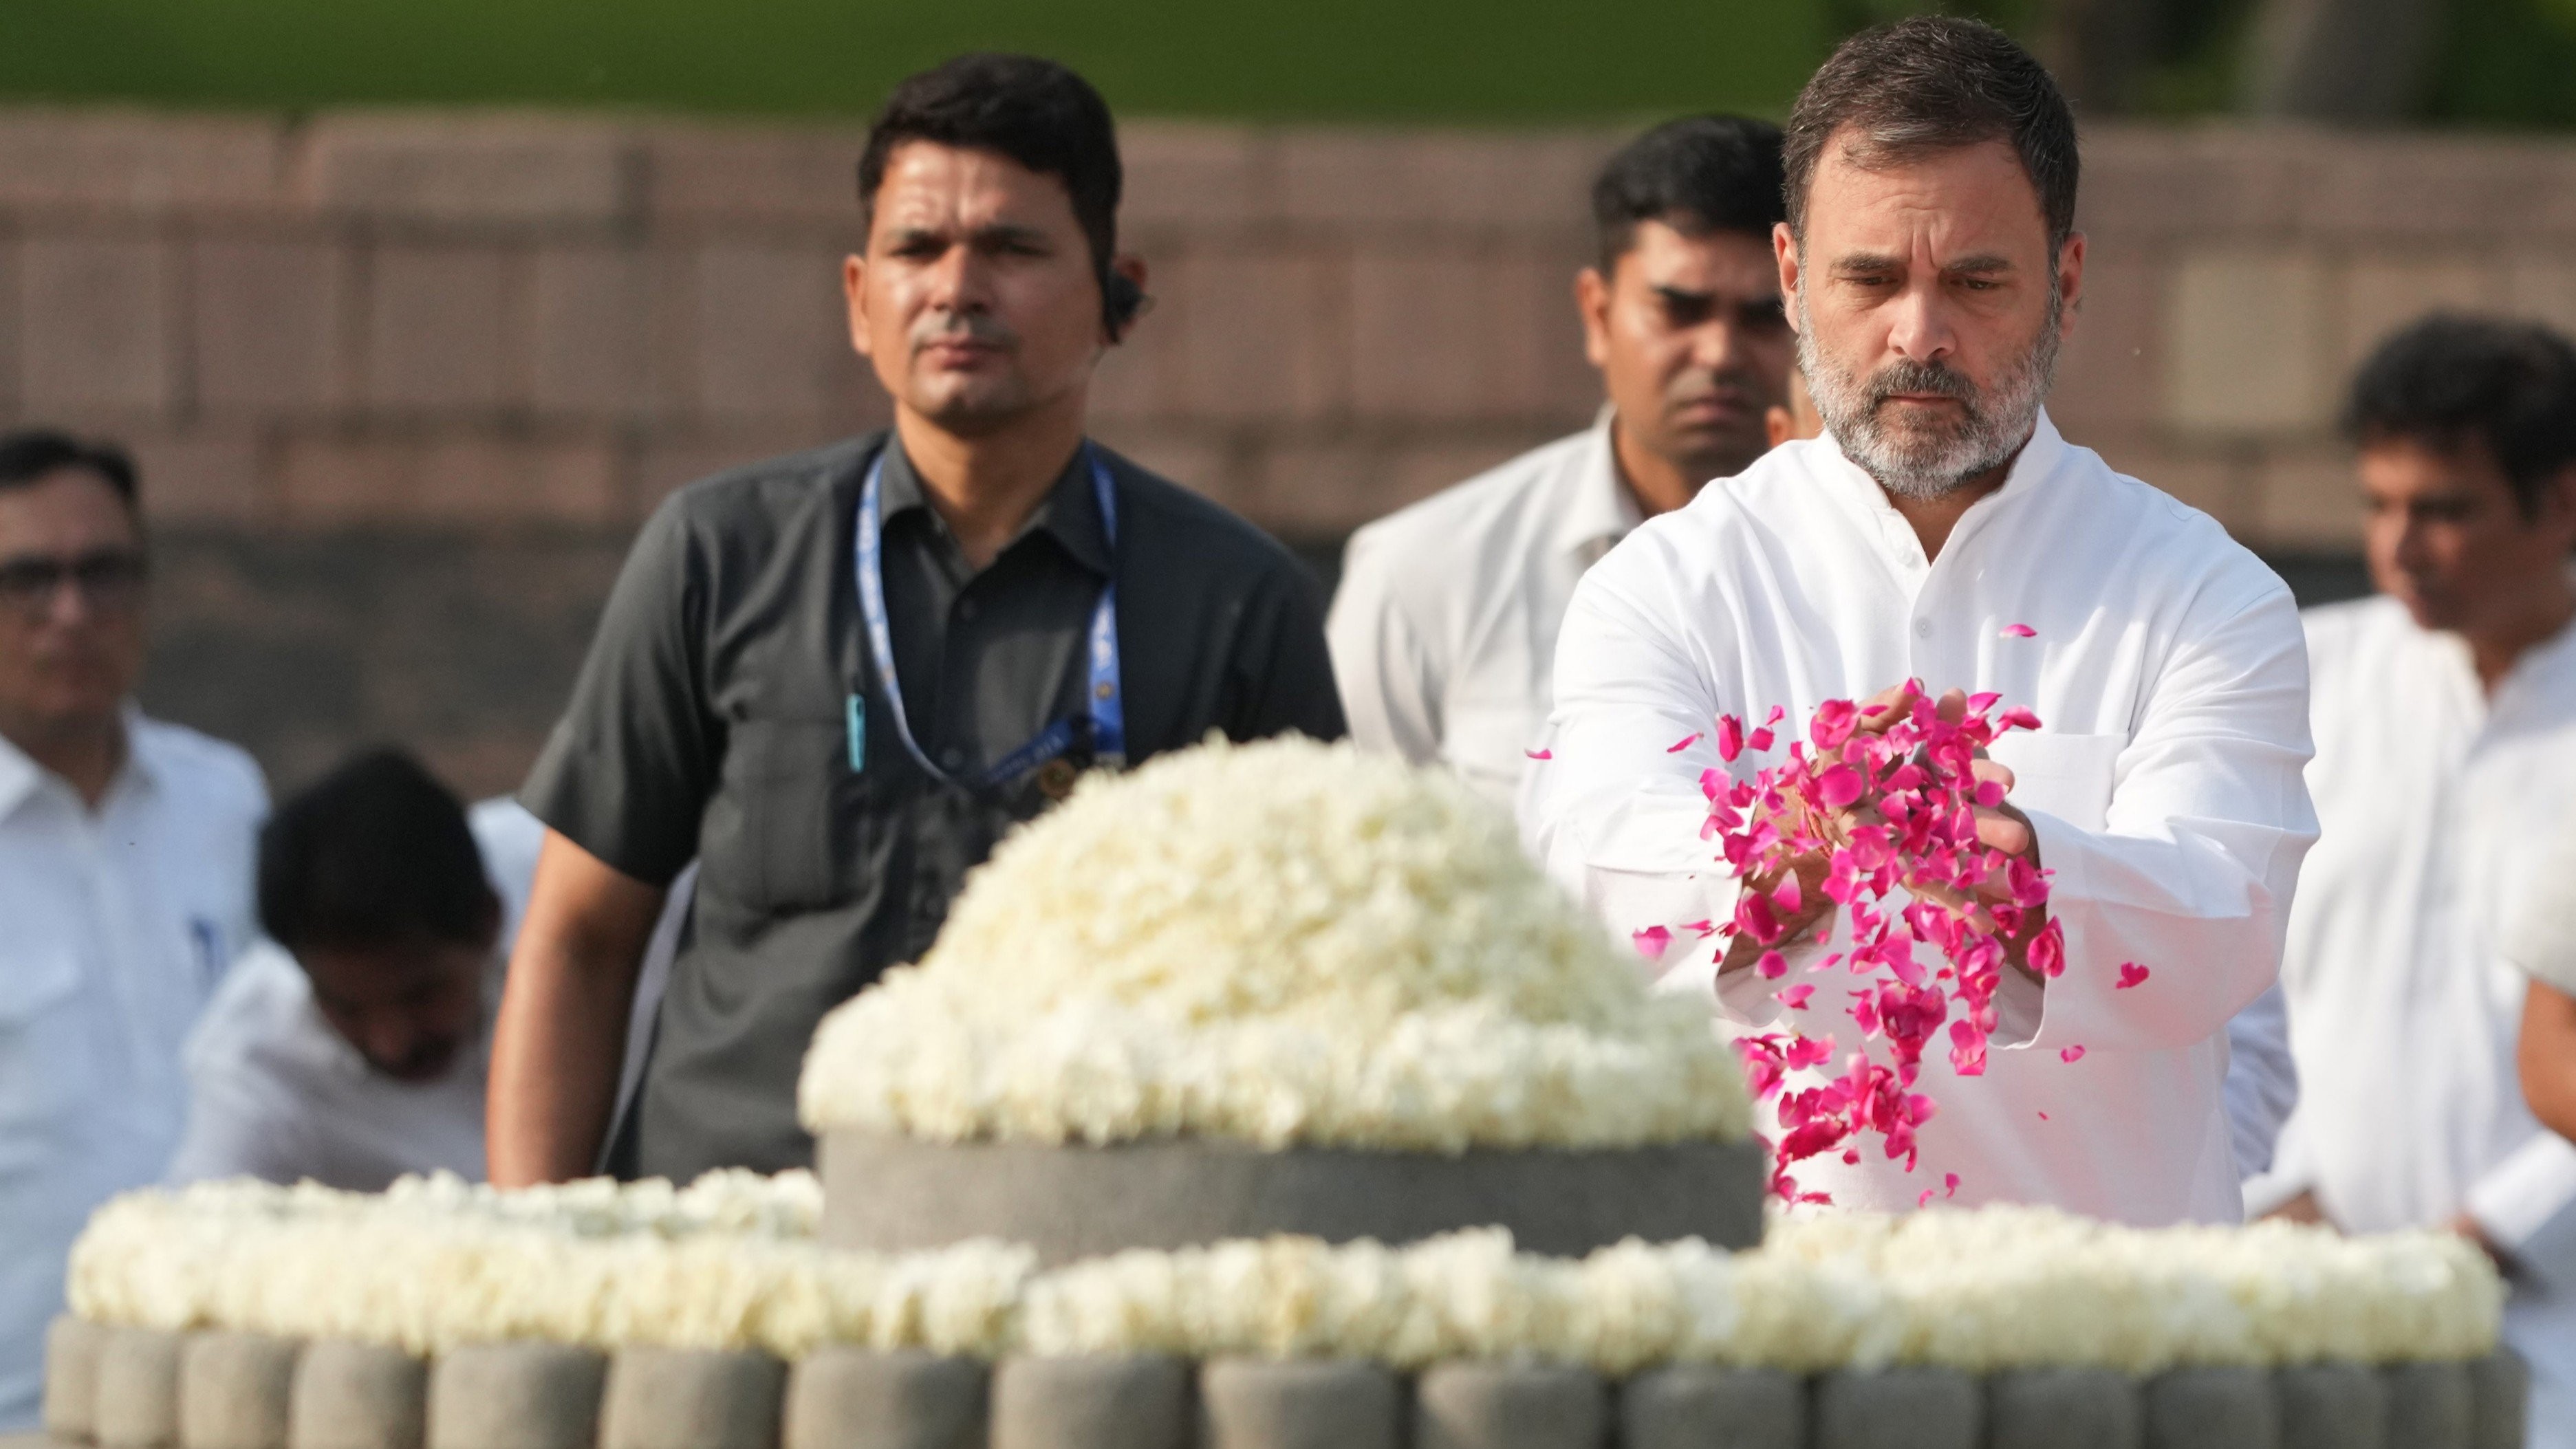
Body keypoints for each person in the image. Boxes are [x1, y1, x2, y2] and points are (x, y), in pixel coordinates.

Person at [488, 54, 1345, 1188]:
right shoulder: (718, 555)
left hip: (1071, 1241)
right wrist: (536, 1248)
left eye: (1014, 249)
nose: (957, 287)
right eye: (916, 249)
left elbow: (1316, 975)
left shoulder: (1236, 601)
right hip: (733, 1242)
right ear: (858, 298)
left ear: (1117, 295)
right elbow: (581, 941)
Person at [1521, 17, 2316, 1225]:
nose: (1919, 336)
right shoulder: (1665, 585)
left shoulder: (2203, 596)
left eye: (1977, 281)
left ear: (2070, 279)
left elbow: (2223, 915)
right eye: (1870, 278)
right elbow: (1585, 882)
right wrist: (1786, 854)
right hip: (1760, 1339)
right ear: (1793, 276)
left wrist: (2016, 862)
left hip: (2104, 1341)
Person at [2247, 314, 2576, 1441]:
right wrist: (2275, 1187)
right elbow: (2213, 950)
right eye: (2379, 505)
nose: (2401, 546)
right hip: (2293, 1309)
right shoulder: (2297, 674)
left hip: (2550, 1343)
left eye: (2444, 509)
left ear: (2565, 502)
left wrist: (2497, 1229)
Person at [1328, 116, 1795, 805]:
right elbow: (1352, 861)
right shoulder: (1419, 577)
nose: (1719, 353)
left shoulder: (1905, 564)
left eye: (1763, 316)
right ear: (1596, 314)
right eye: (1679, 310)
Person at [0, 430, 266, 1429]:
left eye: (102, 572)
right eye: (29, 578)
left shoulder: (225, 800)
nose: (71, 613)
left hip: (220, 1391)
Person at [166, 751, 686, 1191]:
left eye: (420, 995)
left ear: (489, 919)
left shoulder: (608, 883)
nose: (390, 1042)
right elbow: (188, 1254)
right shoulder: (254, 1064)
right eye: (344, 1009)